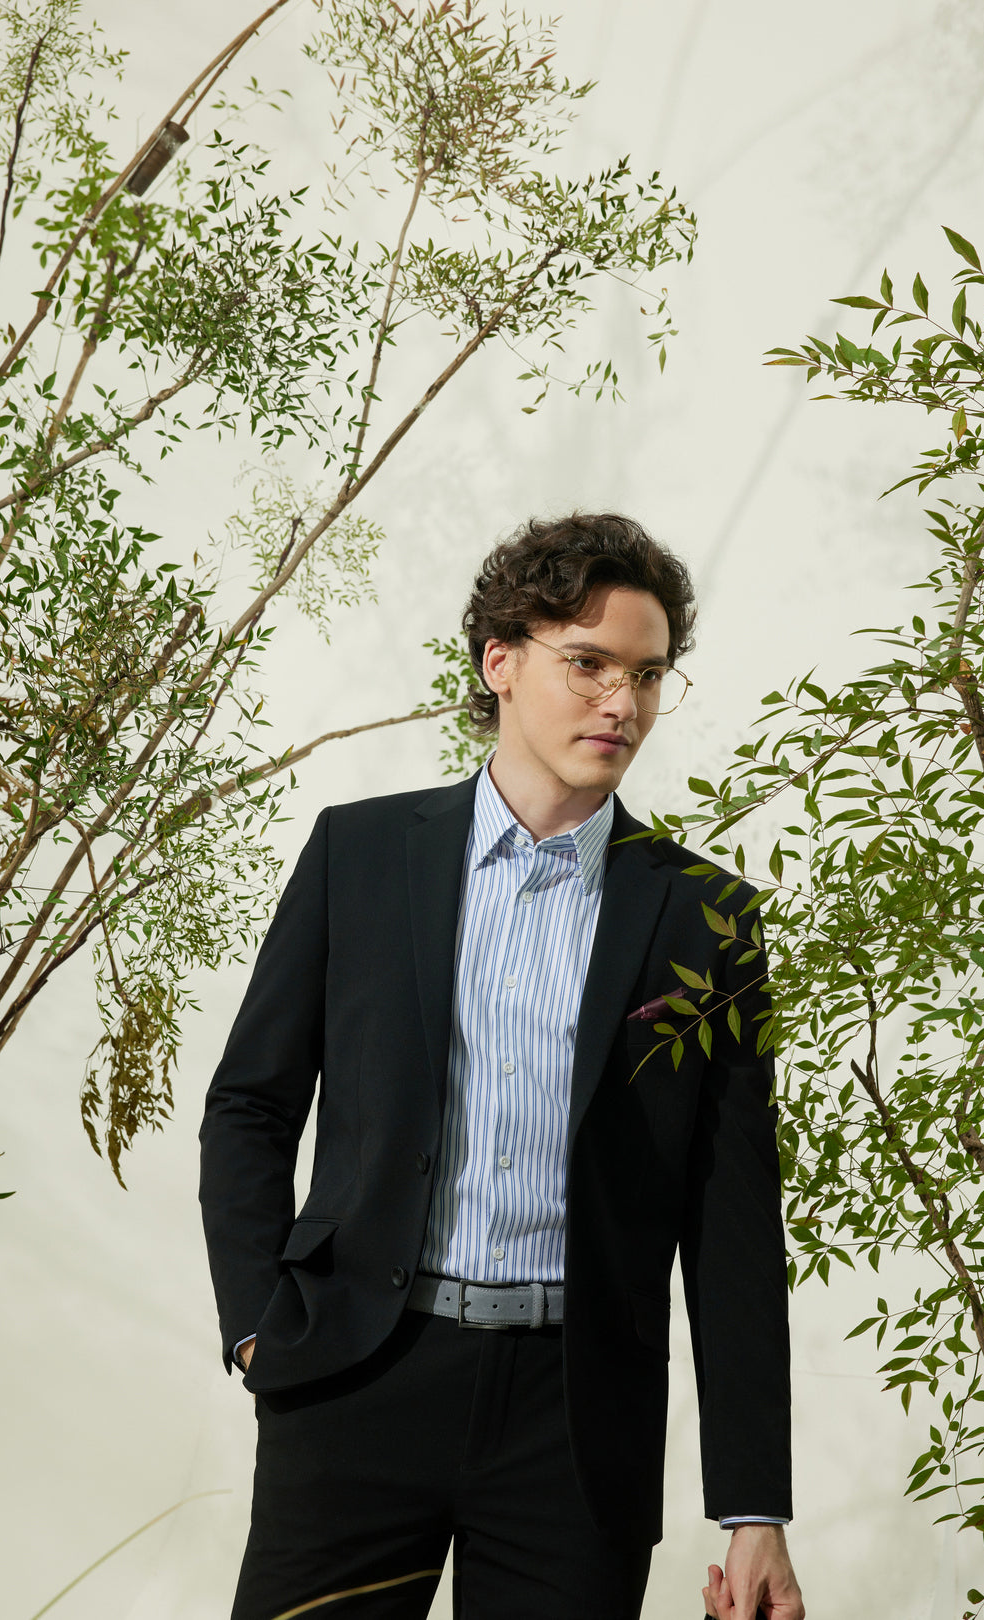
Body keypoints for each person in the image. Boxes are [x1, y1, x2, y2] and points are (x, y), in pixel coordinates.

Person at [199, 512, 806, 1620]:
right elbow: (250, 1104)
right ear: (501, 662)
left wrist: (753, 1506)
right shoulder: (360, 855)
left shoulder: (704, 917)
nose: (622, 704)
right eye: (590, 664)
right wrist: (256, 1327)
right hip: (356, 1380)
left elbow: (732, 1220)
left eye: (647, 676)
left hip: (575, 1423)